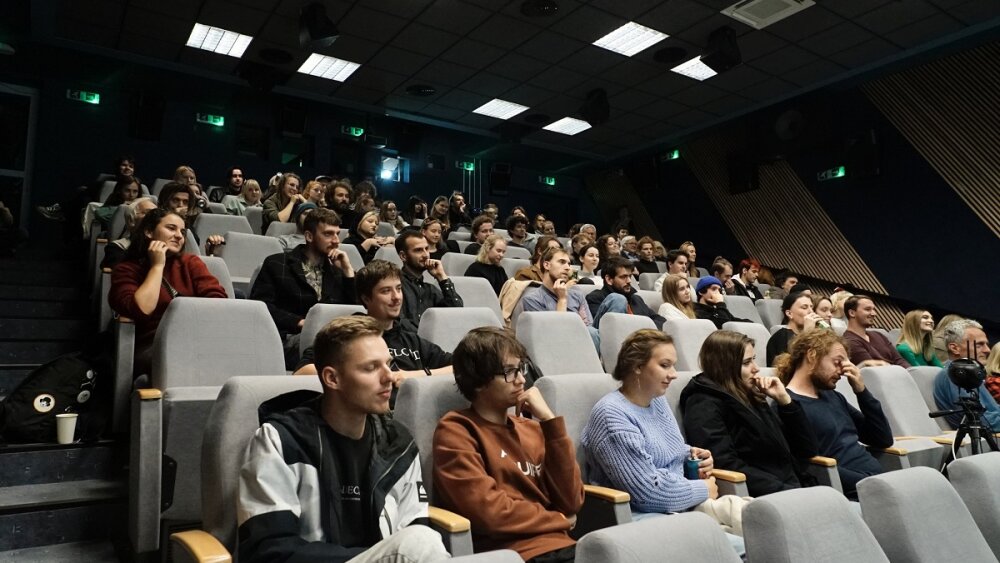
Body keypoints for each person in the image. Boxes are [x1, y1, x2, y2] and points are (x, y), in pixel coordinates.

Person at [237, 316, 449, 563]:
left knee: (423, 540)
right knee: (420, 544)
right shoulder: (280, 441)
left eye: (389, 364)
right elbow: (269, 551)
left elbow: (414, 523)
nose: (390, 377)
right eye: (371, 368)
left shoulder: (398, 444)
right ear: (332, 378)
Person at [433, 327, 585, 562]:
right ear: (479, 381)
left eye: (521, 368)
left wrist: (550, 421)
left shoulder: (533, 428)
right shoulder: (456, 430)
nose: (522, 379)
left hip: (565, 547)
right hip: (515, 554)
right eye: (510, 372)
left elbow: (571, 501)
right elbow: (490, 513)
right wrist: (557, 520)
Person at [580, 330, 748, 540]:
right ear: (637, 366)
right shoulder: (611, 415)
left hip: (679, 507)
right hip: (642, 517)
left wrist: (692, 454)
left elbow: (665, 451)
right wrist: (702, 489)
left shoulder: (656, 399)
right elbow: (647, 493)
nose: (674, 374)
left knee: (755, 523)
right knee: (737, 545)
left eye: (673, 365)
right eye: (665, 365)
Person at [680, 331, 818, 497]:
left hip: (792, 485)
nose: (756, 368)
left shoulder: (750, 394)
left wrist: (785, 402)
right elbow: (726, 464)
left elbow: (807, 449)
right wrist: (787, 491)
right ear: (724, 367)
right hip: (764, 495)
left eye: (754, 359)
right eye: (746, 362)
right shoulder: (703, 404)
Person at [108, 209, 227, 375]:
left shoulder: (190, 263)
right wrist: (157, 266)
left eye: (182, 232)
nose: (179, 236)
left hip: (197, 339)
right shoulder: (127, 269)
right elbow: (141, 309)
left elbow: (219, 302)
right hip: (153, 346)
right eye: (171, 228)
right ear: (149, 231)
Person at [779, 329, 893, 499]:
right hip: (852, 492)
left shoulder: (834, 397)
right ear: (811, 356)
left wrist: (861, 391)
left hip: (876, 483)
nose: (842, 371)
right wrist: (869, 482)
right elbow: (810, 466)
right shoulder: (787, 406)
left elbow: (882, 439)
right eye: (837, 362)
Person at [294, 261, 453, 380]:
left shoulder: (411, 339)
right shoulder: (345, 333)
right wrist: (368, 376)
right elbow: (302, 371)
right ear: (366, 298)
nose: (396, 297)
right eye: (386, 291)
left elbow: (458, 366)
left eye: (398, 289)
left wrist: (414, 375)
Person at [250, 209, 356, 368]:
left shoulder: (337, 271)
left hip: (331, 339)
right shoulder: (277, 263)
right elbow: (261, 307)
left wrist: (348, 272)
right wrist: (301, 322)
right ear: (309, 236)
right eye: (328, 234)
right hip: (287, 338)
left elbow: (354, 312)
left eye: (337, 234)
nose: (336, 241)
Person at [521, 247, 600, 350]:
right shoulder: (532, 300)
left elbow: (589, 329)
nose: (567, 268)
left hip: (582, 345)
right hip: (555, 349)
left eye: (569, 264)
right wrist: (562, 300)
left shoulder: (577, 295)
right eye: (562, 262)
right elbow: (553, 336)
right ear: (547, 265)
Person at [932, 318, 996, 430]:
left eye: (986, 344)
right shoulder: (956, 375)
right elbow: (978, 419)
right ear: (955, 348)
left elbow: (994, 410)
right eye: (979, 345)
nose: (987, 350)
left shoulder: (971, 374)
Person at [395, 230, 463, 332]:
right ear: (403, 256)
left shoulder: (430, 289)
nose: (426, 255)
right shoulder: (395, 286)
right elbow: (398, 323)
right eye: (418, 250)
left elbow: (456, 312)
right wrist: (427, 335)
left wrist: (441, 277)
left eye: (426, 249)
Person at [585, 256, 665, 329]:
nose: (629, 281)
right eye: (623, 277)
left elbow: (661, 321)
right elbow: (600, 327)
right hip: (610, 337)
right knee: (618, 299)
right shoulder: (595, 298)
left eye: (630, 276)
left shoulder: (636, 299)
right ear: (609, 279)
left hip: (641, 338)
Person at [842, 296, 911, 368]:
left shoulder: (879, 335)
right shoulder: (848, 341)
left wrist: (911, 372)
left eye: (873, 309)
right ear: (852, 313)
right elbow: (873, 369)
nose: (874, 313)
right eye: (867, 309)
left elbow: (899, 360)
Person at [766, 292, 824, 365]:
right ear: (789, 313)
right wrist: (808, 333)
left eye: (811, 307)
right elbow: (789, 366)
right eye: (804, 307)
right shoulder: (781, 337)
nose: (811, 311)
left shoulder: (816, 334)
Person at [101, 197, 158, 269]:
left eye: (156, 214)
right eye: (148, 213)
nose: (155, 218)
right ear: (131, 221)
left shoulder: (164, 246)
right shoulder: (117, 248)